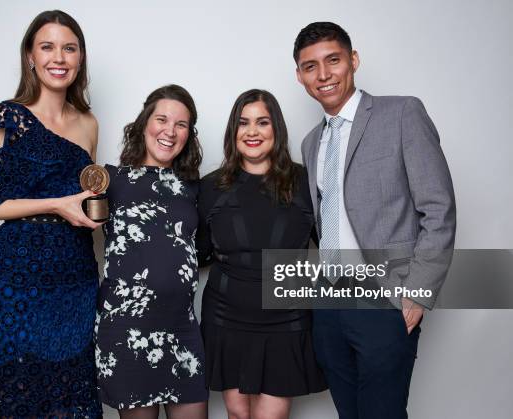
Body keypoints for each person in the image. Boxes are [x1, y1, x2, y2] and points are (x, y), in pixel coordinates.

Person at [294, 22, 456, 419]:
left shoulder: (401, 113)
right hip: (329, 301)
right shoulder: (311, 141)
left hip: (384, 296)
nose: (324, 74)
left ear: (354, 60)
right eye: (310, 66)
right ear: (300, 77)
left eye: (333, 60)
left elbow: (438, 209)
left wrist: (416, 292)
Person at [0, 10, 103, 418]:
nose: (60, 57)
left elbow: (88, 199)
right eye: (47, 46)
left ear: (81, 58)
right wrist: (54, 204)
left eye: (70, 48)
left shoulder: (88, 124)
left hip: (75, 276)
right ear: (30, 57)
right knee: (15, 390)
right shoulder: (4, 118)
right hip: (19, 277)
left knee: (73, 393)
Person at [197, 89, 327, 419]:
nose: (252, 131)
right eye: (243, 123)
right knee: (238, 414)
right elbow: (197, 253)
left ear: (276, 129)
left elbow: (333, 246)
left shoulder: (304, 181)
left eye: (262, 122)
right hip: (226, 316)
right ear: (233, 131)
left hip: (286, 317)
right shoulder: (211, 186)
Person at [94, 85, 208, 419]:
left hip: (182, 327)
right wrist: (4, 258)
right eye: (161, 119)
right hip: (127, 330)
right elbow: (64, 228)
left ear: (190, 133)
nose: (170, 131)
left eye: (182, 124)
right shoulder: (108, 180)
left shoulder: (194, 186)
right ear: (144, 123)